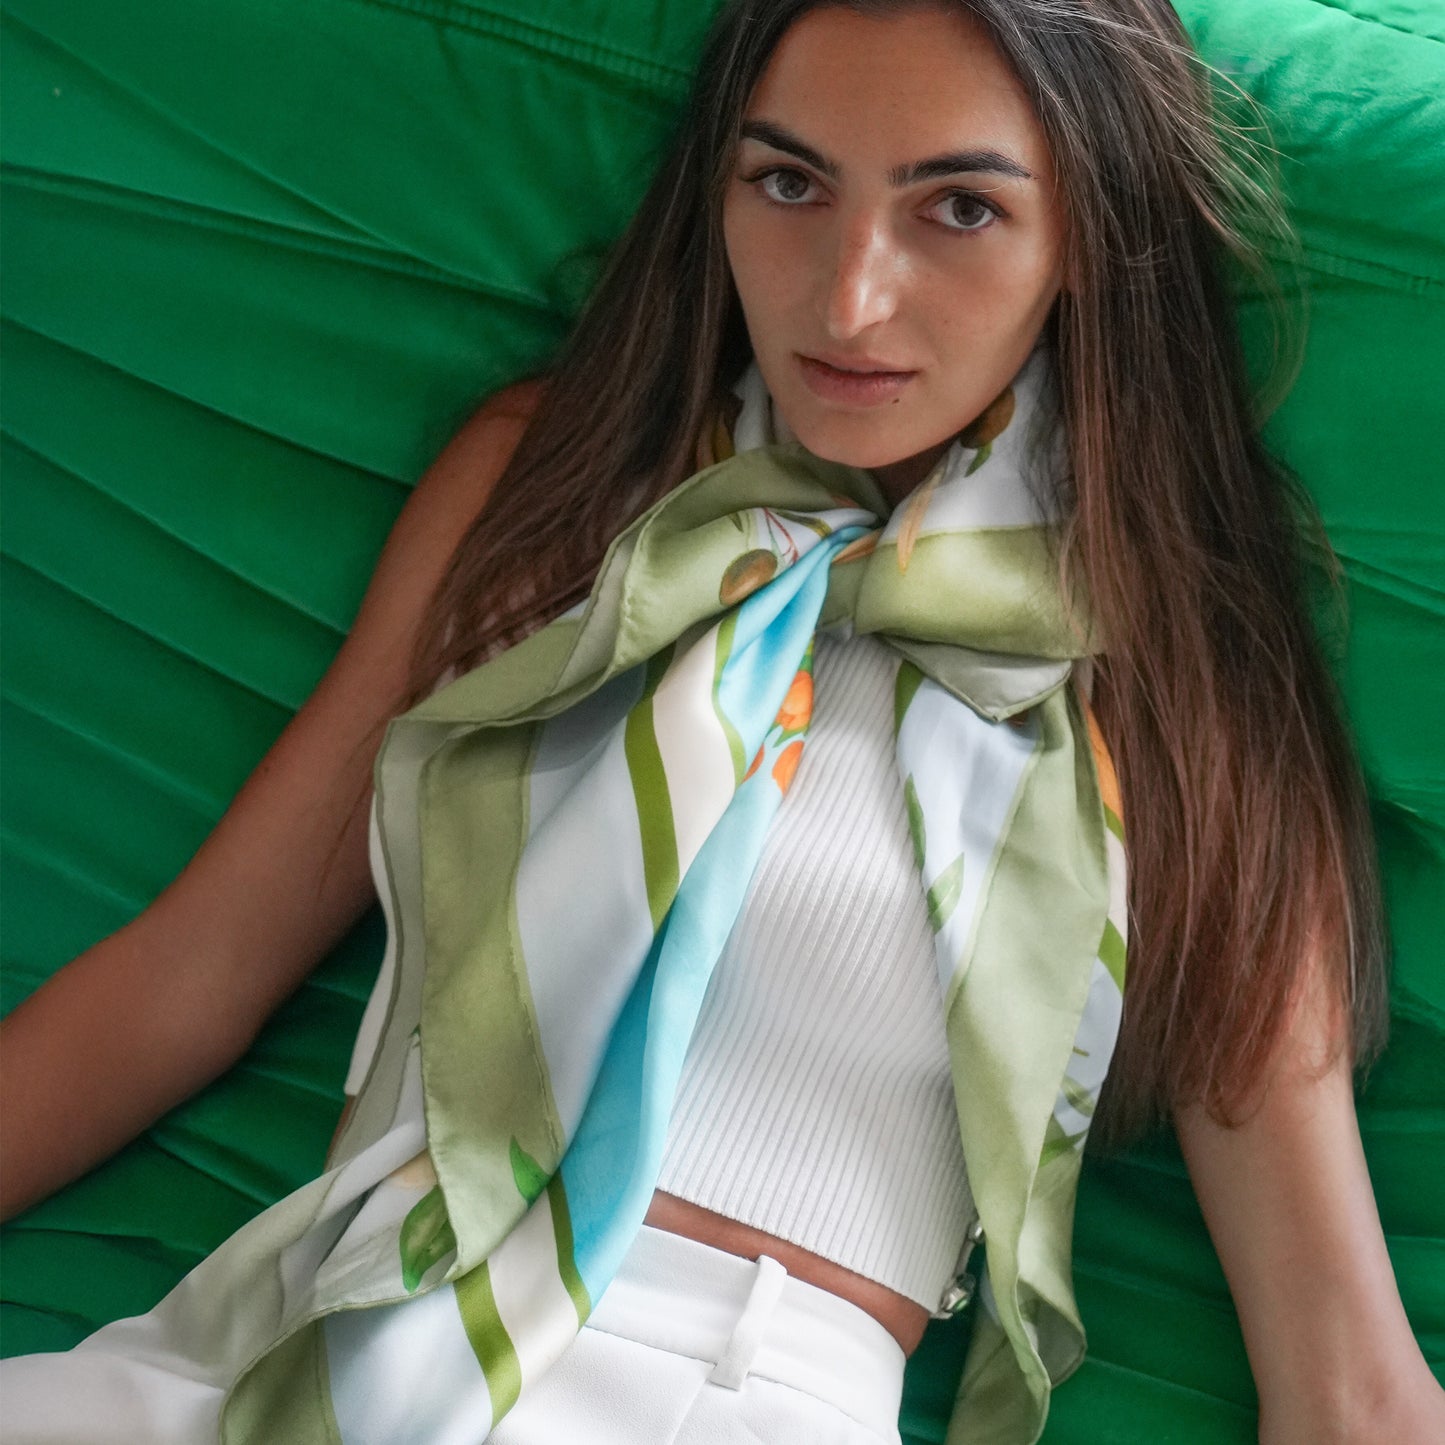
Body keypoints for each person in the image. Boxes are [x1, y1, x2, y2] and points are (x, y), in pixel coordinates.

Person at [1, 0, 1441, 1442]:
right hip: (318, 1340)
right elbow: (192, 974)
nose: (848, 299)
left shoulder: (1172, 672)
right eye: (789, 182)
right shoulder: (558, 491)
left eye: (958, 207)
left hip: (729, 1394)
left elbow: (1345, 1380)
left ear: (1087, 236)